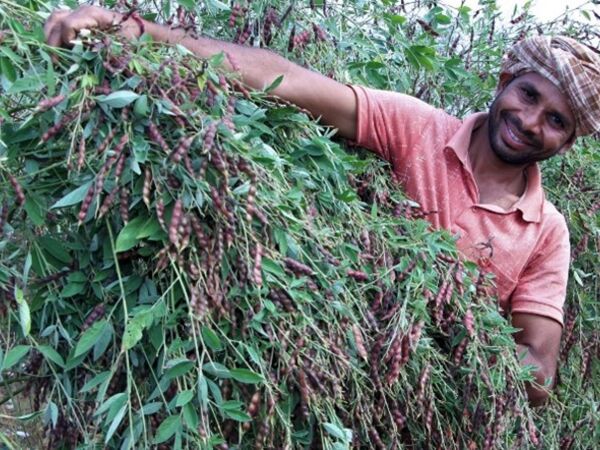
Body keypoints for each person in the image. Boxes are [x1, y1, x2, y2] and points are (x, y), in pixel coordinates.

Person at [44, 5, 600, 406]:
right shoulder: (416, 128)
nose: (530, 122)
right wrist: (131, 31)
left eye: (556, 121)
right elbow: (279, 80)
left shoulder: (546, 231)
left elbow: (539, 369)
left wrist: (448, 332)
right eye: (529, 96)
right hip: (319, 386)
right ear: (505, 82)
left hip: (412, 411)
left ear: (567, 142)